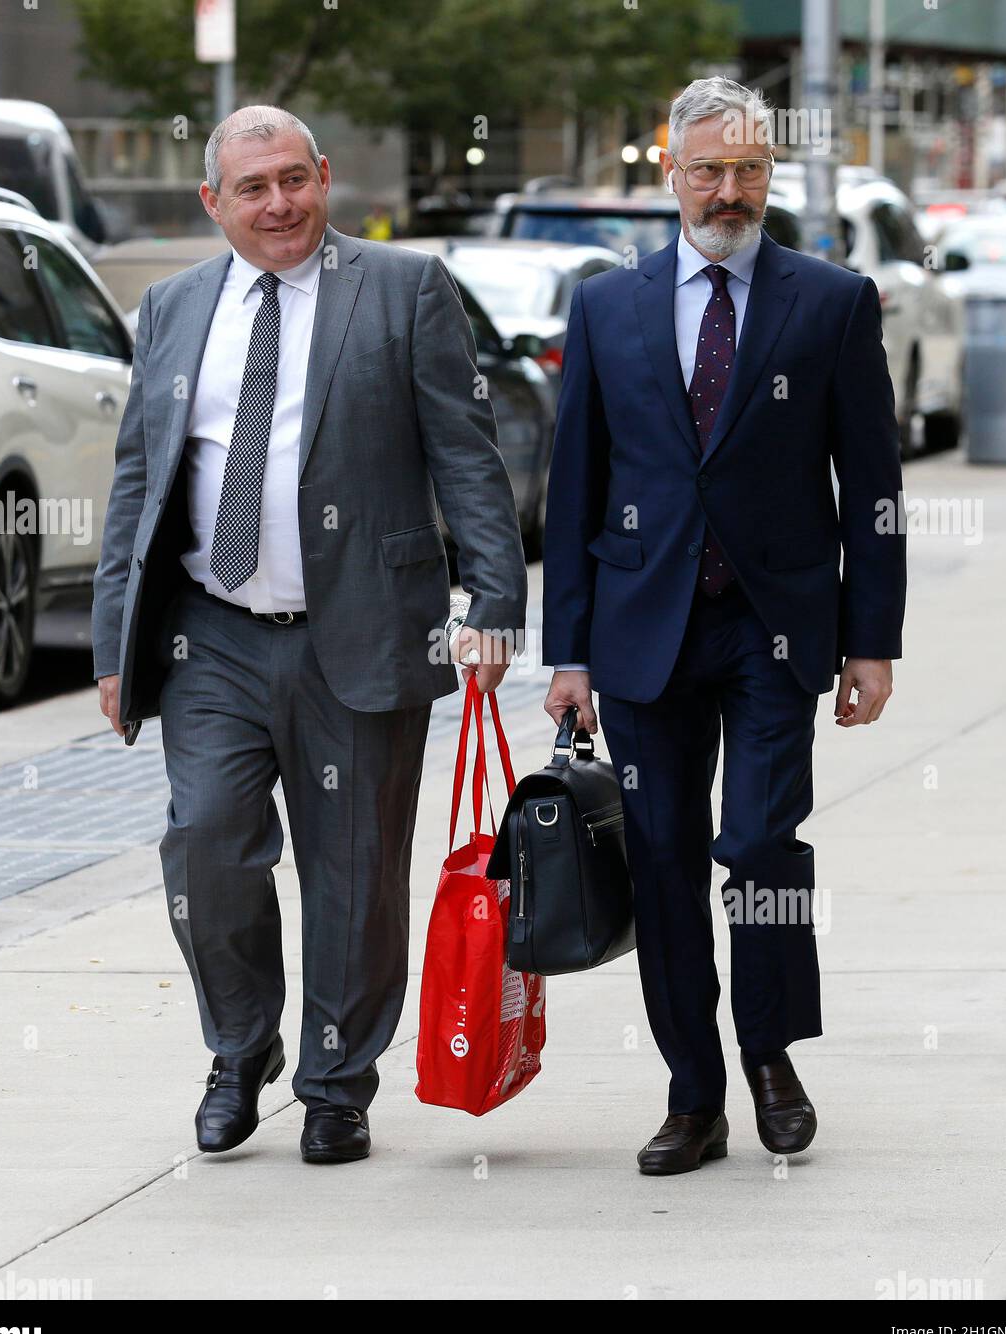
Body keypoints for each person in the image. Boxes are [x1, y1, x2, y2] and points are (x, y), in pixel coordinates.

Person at [92, 106, 526, 1165]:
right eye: (252, 188)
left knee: (355, 870)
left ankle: (336, 1081)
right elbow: (138, 484)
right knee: (206, 841)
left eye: (293, 179)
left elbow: (463, 454)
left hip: (366, 631)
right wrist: (114, 645)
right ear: (214, 203)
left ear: (324, 177)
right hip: (211, 641)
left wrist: (494, 599)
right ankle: (240, 1048)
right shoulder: (170, 309)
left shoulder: (402, 290)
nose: (278, 203)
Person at [542, 76, 906, 1175]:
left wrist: (870, 638)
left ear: (769, 174)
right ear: (668, 173)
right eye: (708, 169)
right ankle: (690, 1093)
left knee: (755, 844)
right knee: (658, 860)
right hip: (641, 627)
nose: (729, 189)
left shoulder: (831, 301)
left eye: (749, 169)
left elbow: (871, 483)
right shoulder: (608, 306)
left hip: (772, 629)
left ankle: (769, 1055)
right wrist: (566, 649)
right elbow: (573, 489)